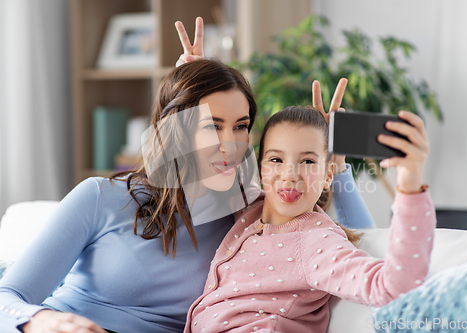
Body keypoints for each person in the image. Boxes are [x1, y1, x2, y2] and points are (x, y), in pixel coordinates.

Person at [0, 22, 375, 333]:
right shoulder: (101, 197)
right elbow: (9, 296)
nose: (230, 144)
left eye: (241, 126)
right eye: (213, 126)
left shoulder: (248, 210)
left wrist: (334, 163)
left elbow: (365, 241)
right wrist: (42, 321)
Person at [184, 106, 435, 333]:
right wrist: (192, 81)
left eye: (307, 161)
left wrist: (410, 184)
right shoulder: (249, 205)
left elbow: (392, 288)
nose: (290, 174)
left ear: (328, 176)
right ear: (260, 169)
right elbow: (205, 153)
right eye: (276, 159)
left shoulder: (316, 242)